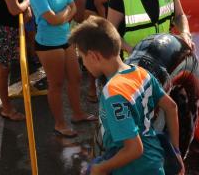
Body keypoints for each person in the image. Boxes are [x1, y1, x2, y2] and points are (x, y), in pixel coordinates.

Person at [68, 16, 183, 175]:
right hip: (155, 162)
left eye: (82, 58)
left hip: (134, 169)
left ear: (94, 56)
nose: (84, 64)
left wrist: (101, 168)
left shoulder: (113, 93)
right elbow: (171, 107)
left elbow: (134, 149)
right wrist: (175, 152)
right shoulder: (141, 73)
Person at [29, 0, 95, 137]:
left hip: (66, 39)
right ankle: (59, 123)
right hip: (48, 43)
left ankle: (78, 114)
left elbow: (73, 6)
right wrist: (66, 13)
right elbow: (53, 19)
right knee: (56, 84)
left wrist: (64, 14)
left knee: (75, 77)